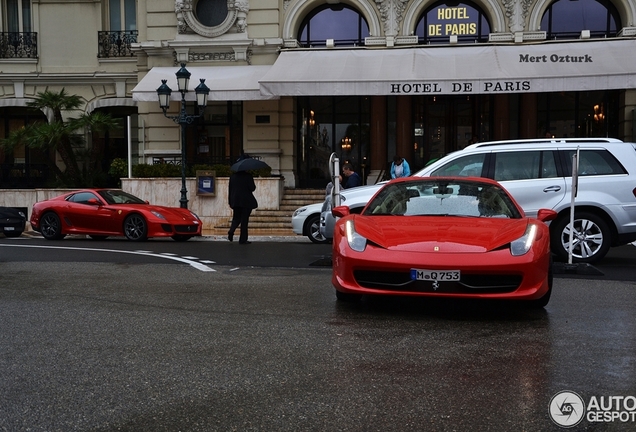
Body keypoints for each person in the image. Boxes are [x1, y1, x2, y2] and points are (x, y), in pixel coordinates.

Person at [228, 170, 258, 244]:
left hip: (235, 200)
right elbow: (252, 188)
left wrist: (230, 201)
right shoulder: (248, 176)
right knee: (244, 221)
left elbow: (230, 190)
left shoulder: (233, 177)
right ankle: (243, 239)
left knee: (236, 218)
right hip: (246, 201)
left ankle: (231, 230)